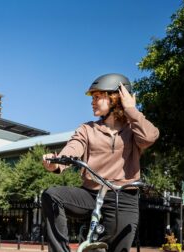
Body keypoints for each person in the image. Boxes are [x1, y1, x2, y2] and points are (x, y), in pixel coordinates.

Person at [42, 73, 159, 252]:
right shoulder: (87, 129)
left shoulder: (133, 129)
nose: (92, 102)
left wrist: (131, 110)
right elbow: (73, 148)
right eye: (93, 98)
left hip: (123, 197)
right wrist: (56, 163)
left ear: (115, 99)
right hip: (90, 195)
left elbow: (150, 137)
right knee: (52, 195)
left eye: (98, 97)